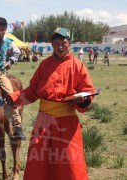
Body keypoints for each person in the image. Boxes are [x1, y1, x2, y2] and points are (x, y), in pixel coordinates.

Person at [6, 27, 95, 180]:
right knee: (40, 161)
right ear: (52, 44)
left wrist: (83, 100)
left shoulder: (78, 66)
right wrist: (13, 98)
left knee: (70, 163)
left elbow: (87, 90)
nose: (60, 46)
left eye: (63, 42)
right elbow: (33, 90)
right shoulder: (44, 65)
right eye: (56, 43)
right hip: (43, 122)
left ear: (70, 43)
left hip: (67, 122)